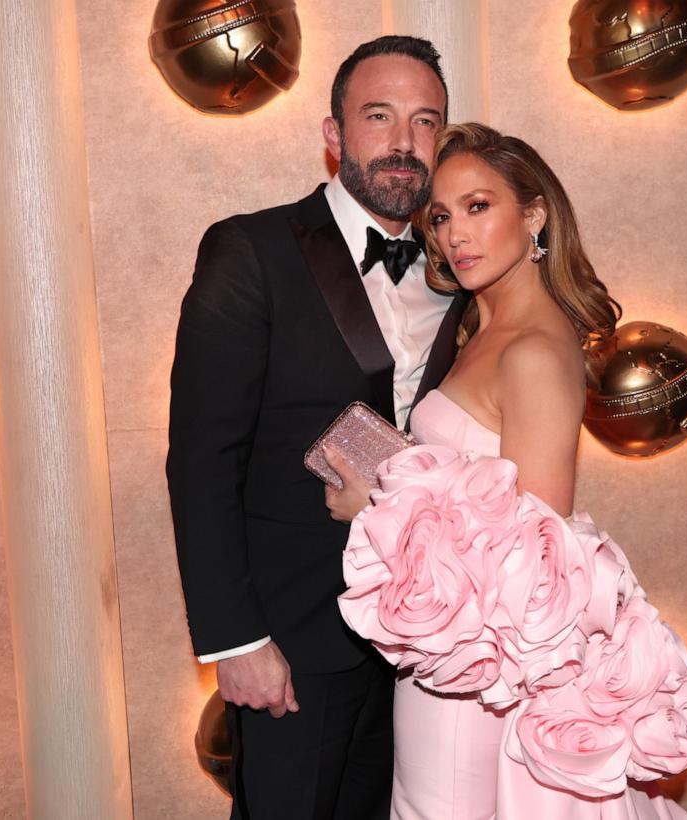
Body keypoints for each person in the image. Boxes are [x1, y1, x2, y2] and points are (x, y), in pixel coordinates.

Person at [326, 123, 687, 819]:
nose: (455, 234)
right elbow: (482, 494)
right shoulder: (479, 328)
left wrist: (377, 509)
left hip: (484, 680)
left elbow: (539, 570)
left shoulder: (532, 349)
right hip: (451, 660)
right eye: (440, 215)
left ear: (534, 215)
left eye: (478, 206)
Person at [166, 36, 469, 819]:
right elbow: (202, 459)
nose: (404, 143)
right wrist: (235, 643)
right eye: (379, 116)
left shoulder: (462, 270)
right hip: (290, 646)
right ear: (334, 135)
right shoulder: (252, 251)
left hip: (416, 654)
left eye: (425, 121)